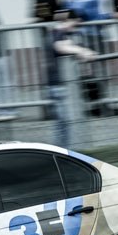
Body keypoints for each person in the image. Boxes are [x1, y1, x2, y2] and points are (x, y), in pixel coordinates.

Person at [46, 11, 98, 147]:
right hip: (59, 84)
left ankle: (63, 149)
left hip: (57, 84)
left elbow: (65, 45)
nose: (76, 27)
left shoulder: (56, 33)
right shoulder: (58, 33)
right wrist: (81, 51)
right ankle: (66, 151)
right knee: (67, 121)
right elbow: (60, 46)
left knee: (63, 122)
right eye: (75, 24)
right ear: (67, 21)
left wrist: (80, 50)